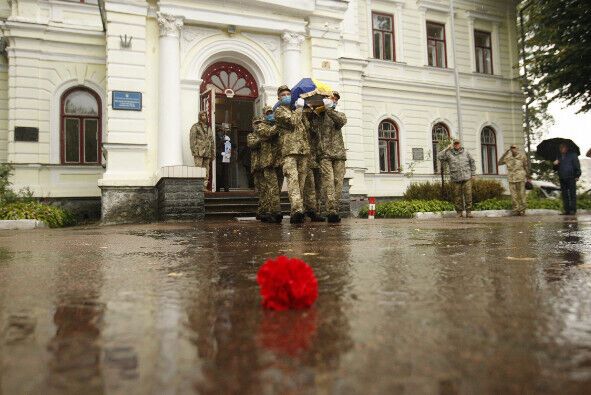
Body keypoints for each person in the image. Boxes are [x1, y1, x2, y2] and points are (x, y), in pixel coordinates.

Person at [274, 85, 310, 224]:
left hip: (302, 151)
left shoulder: (294, 110)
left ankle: (296, 210)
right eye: (283, 94)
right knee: (293, 181)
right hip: (289, 151)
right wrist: (299, 109)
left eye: (288, 94)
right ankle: (297, 210)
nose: (286, 96)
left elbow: (305, 128)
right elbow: (293, 122)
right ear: (278, 97)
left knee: (300, 183)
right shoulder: (279, 111)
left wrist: (302, 110)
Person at [312, 91, 347, 223]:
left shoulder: (339, 114)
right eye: (332, 98)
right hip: (324, 154)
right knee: (329, 181)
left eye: (336, 99)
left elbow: (340, 121)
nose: (334, 101)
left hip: (339, 155)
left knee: (338, 182)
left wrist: (329, 109)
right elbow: (312, 128)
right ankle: (331, 211)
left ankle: (334, 208)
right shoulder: (318, 116)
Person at [254, 106, 283, 223]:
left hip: (279, 161)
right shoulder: (261, 126)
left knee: (278, 188)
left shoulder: (277, 124)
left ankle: (272, 210)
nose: (270, 114)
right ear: (264, 114)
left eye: (272, 112)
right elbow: (268, 133)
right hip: (268, 162)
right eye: (268, 113)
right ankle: (276, 212)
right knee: (272, 188)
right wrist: (278, 125)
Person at [438, 139, 476, 218]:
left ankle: (468, 212)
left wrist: (473, 174)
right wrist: (446, 149)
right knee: (457, 196)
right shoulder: (449, 153)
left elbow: (472, 162)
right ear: (453, 145)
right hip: (455, 178)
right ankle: (459, 212)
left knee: (468, 195)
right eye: (455, 144)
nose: (456, 145)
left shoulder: (466, 152)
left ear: (460, 144)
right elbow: (439, 156)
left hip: (466, 177)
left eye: (458, 143)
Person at [499, 144, 530, 216]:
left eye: (514, 148)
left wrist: (528, 177)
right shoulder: (508, 157)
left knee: (522, 195)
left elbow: (525, 166)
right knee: (513, 196)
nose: (513, 149)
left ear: (517, 149)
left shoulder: (522, 157)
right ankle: (516, 210)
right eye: (512, 148)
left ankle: (522, 210)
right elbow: (499, 163)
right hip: (511, 178)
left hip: (520, 178)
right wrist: (505, 154)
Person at [189, 111, 215, 191]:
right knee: (198, 168)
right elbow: (192, 139)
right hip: (199, 152)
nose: (204, 117)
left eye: (205, 115)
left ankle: (204, 186)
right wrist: (194, 151)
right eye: (202, 115)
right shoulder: (195, 126)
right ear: (199, 117)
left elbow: (212, 141)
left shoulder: (209, 128)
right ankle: (198, 186)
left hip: (207, 152)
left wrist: (212, 153)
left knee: (206, 169)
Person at [554, 143, 581, 215]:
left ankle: (573, 210)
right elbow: (555, 169)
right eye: (560, 148)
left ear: (566, 148)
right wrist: (555, 164)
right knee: (564, 194)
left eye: (563, 147)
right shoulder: (558, 156)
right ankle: (567, 210)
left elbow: (577, 165)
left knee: (572, 194)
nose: (561, 149)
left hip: (571, 177)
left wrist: (577, 175)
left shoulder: (573, 155)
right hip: (562, 177)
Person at [247, 118, 264, 219]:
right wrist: (261, 138)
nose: (258, 125)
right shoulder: (251, 135)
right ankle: (261, 210)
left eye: (259, 123)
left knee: (268, 189)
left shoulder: (266, 133)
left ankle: (265, 209)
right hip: (257, 166)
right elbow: (251, 144)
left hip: (266, 164)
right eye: (256, 124)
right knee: (261, 189)